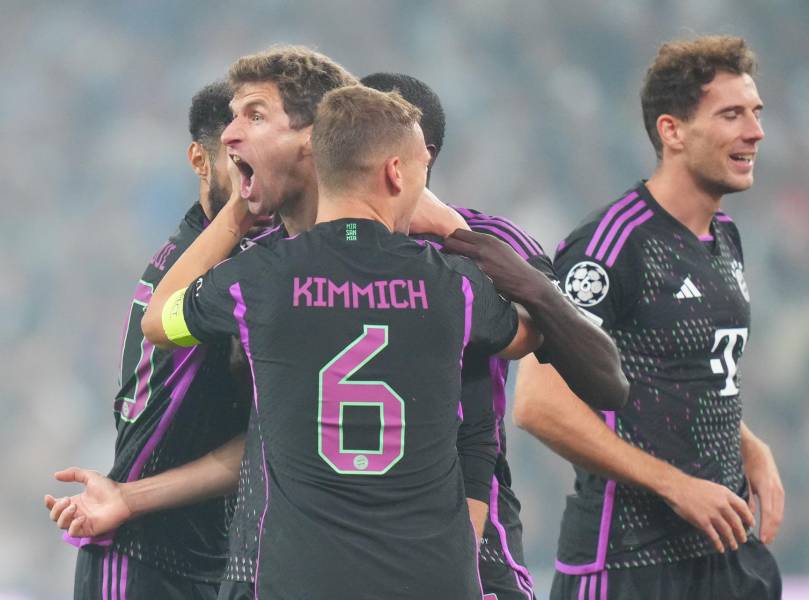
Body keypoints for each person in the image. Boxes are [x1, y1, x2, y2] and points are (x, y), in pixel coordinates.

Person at [138, 83, 587, 599]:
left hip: (300, 575)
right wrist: (454, 228)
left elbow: (159, 321)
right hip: (428, 569)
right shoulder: (453, 283)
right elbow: (533, 333)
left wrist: (237, 212)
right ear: (398, 171)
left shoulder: (256, 276)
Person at [514, 35, 783, 599]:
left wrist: (747, 443)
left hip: (720, 555)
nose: (754, 131)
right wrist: (675, 485)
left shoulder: (724, 236)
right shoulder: (612, 245)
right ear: (672, 131)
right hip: (626, 563)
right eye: (731, 114)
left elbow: (672, 377)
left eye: (755, 113)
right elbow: (538, 402)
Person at [362, 71, 627, 600]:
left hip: (473, 518)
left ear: (418, 156)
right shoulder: (300, 244)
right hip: (338, 513)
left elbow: (606, 380)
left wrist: (460, 236)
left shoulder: (492, 240)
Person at [46, 80, 286, 599]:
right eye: (236, 159)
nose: (253, 177)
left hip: (206, 553)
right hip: (140, 556)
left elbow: (262, 432)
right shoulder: (205, 273)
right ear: (200, 161)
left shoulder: (228, 258)